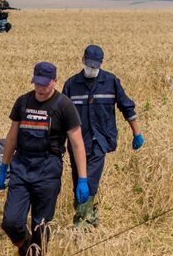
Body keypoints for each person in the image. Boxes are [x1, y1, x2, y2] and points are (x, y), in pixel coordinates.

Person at [0, 61, 89, 256]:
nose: (40, 88)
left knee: (41, 226)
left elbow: (77, 143)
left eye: (45, 84)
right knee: (11, 222)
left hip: (48, 169)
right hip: (22, 167)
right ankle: (25, 247)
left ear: (54, 82)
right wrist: (4, 165)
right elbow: (12, 137)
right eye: (37, 83)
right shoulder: (23, 102)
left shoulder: (64, 106)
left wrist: (83, 178)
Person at [61, 44, 143, 227]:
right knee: (78, 181)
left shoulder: (110, 81)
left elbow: (126, 106)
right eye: (89, 65)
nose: (91, 69)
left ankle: (82, 224)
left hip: (101, 139)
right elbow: (61, 117)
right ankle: (91, 216)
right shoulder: (71, 85)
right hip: (77, 143)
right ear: (83, 60)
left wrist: (136, 132)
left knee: (89, 181)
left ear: (101, 64)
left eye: (95, 66)